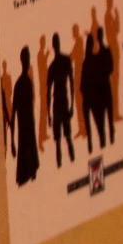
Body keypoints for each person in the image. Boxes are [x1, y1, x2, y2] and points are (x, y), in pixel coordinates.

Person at [6, 47, 39, 187]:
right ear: (22, 60)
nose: (27, 61)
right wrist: (12, 140)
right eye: (26, 58)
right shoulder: (20, 84)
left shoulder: (27, 82)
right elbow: (14, 112)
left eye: (28, 58)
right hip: (24, 130)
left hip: (29, 129)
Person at [45, 36, 76, 169]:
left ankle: (71, 163)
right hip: (59, 102)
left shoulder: (57, 64)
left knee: (66, 137)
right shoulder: (58, 64)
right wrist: (49, 114)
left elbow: (71, 83)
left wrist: (72, 105)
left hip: (61, 102)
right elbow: (48, 91)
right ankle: (62, 165)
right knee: (60, 139)